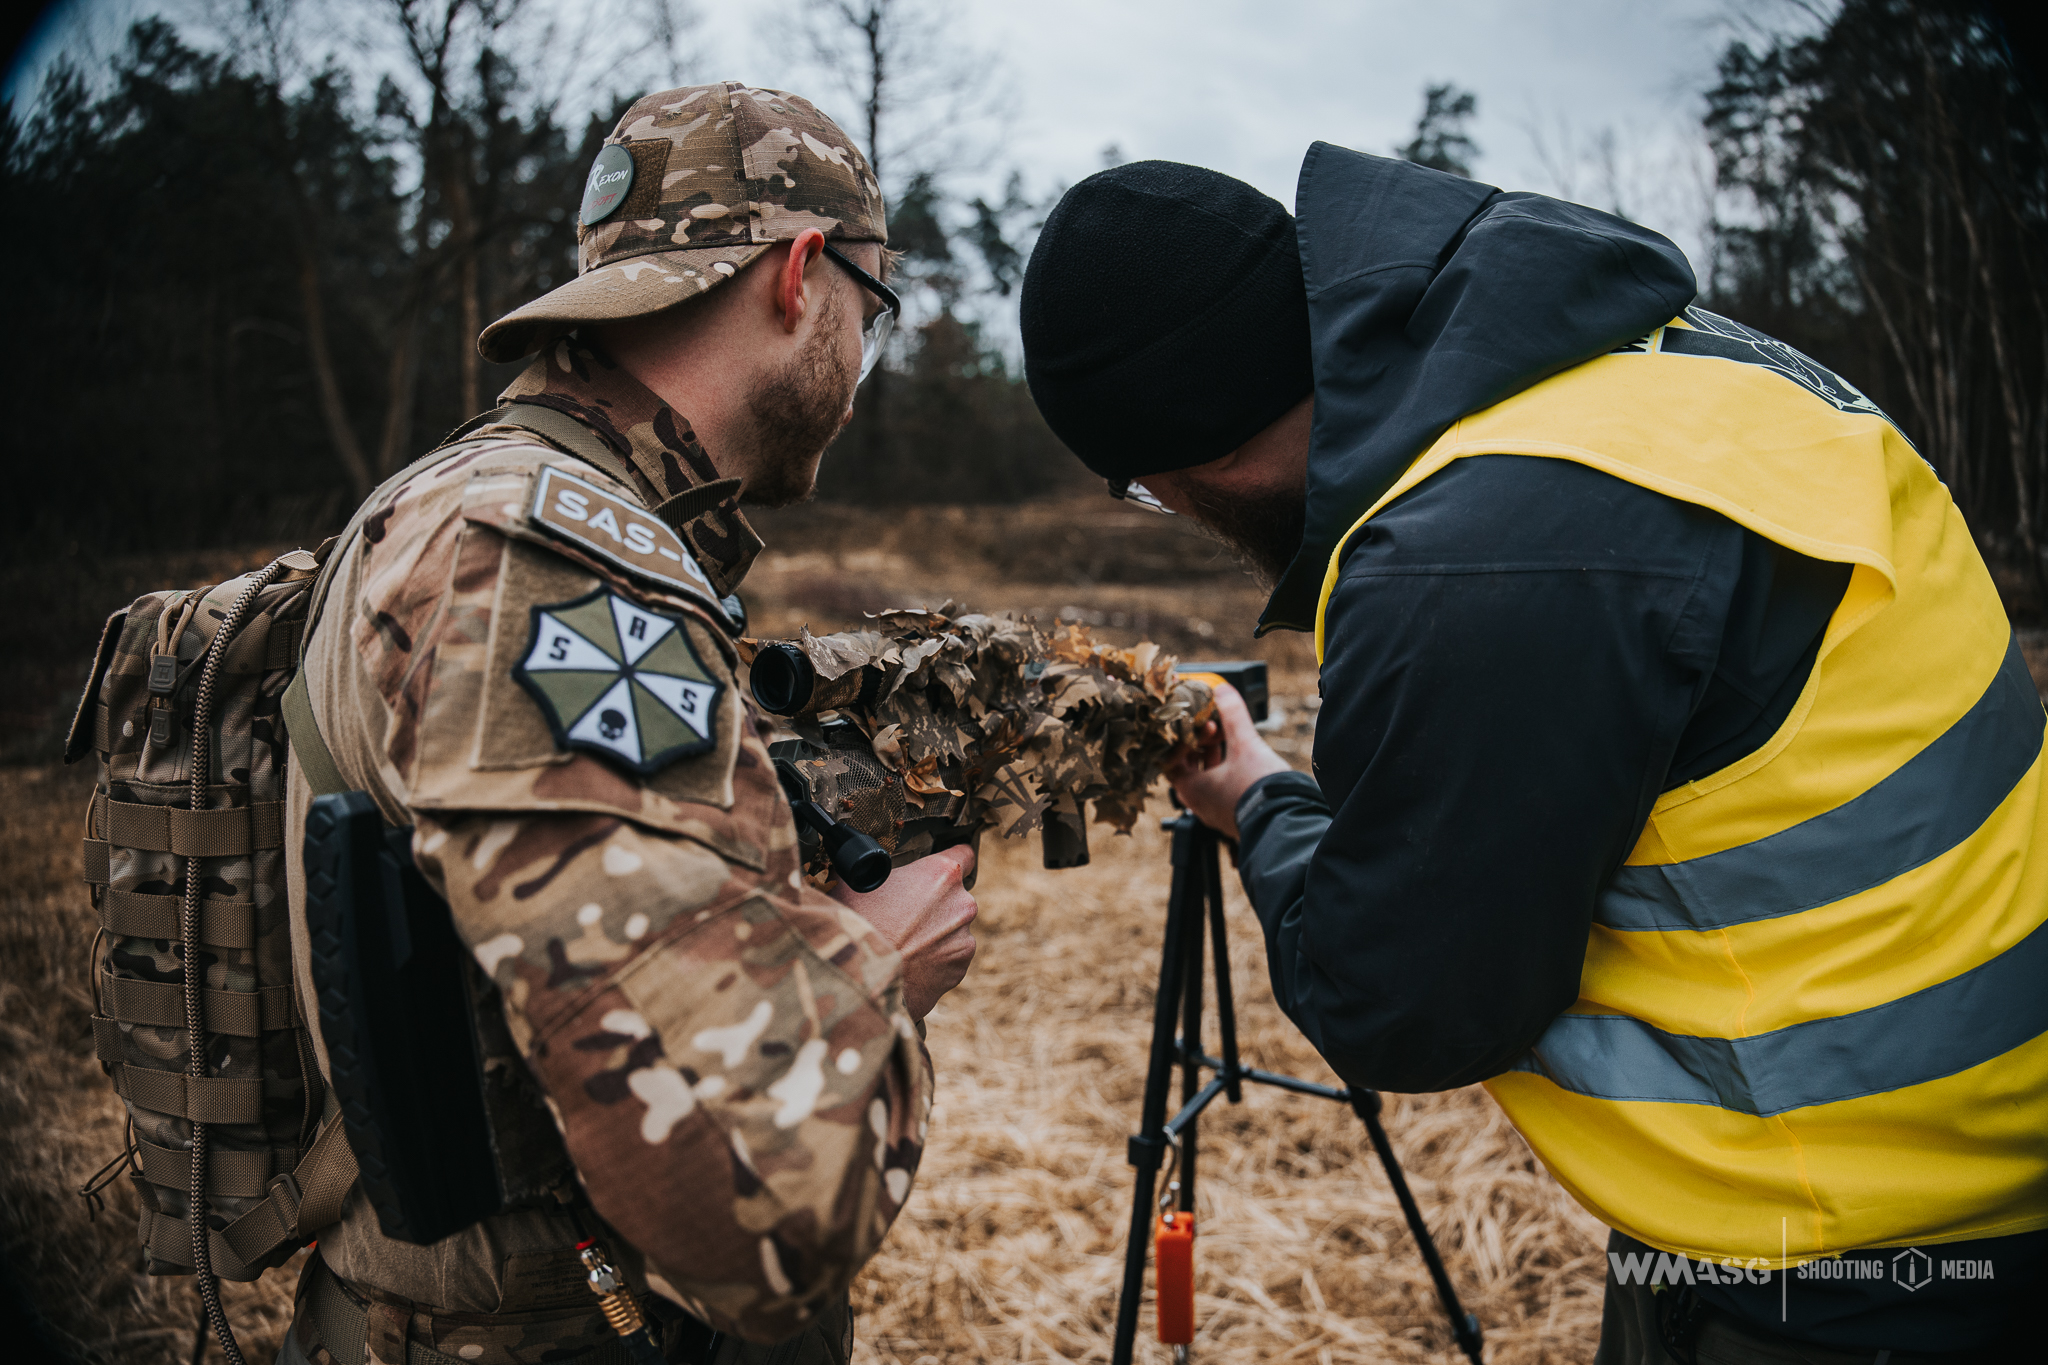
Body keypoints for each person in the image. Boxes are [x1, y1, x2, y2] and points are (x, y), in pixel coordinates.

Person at [1018, 149, 2046, 1362]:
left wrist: (1258, 798)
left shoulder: (1473, 549)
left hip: (1843, 1261)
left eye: (1148, 495)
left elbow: (1403, 1001)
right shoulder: (1667, 363)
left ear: (1187, 464)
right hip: (1947, 1150)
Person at [279, 81, 977, 1365]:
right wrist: (879, 968)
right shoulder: (544, 552)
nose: (860, 363)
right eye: (869, 314)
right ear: (801, 275)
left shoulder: (487, 500)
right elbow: (743, 1213)